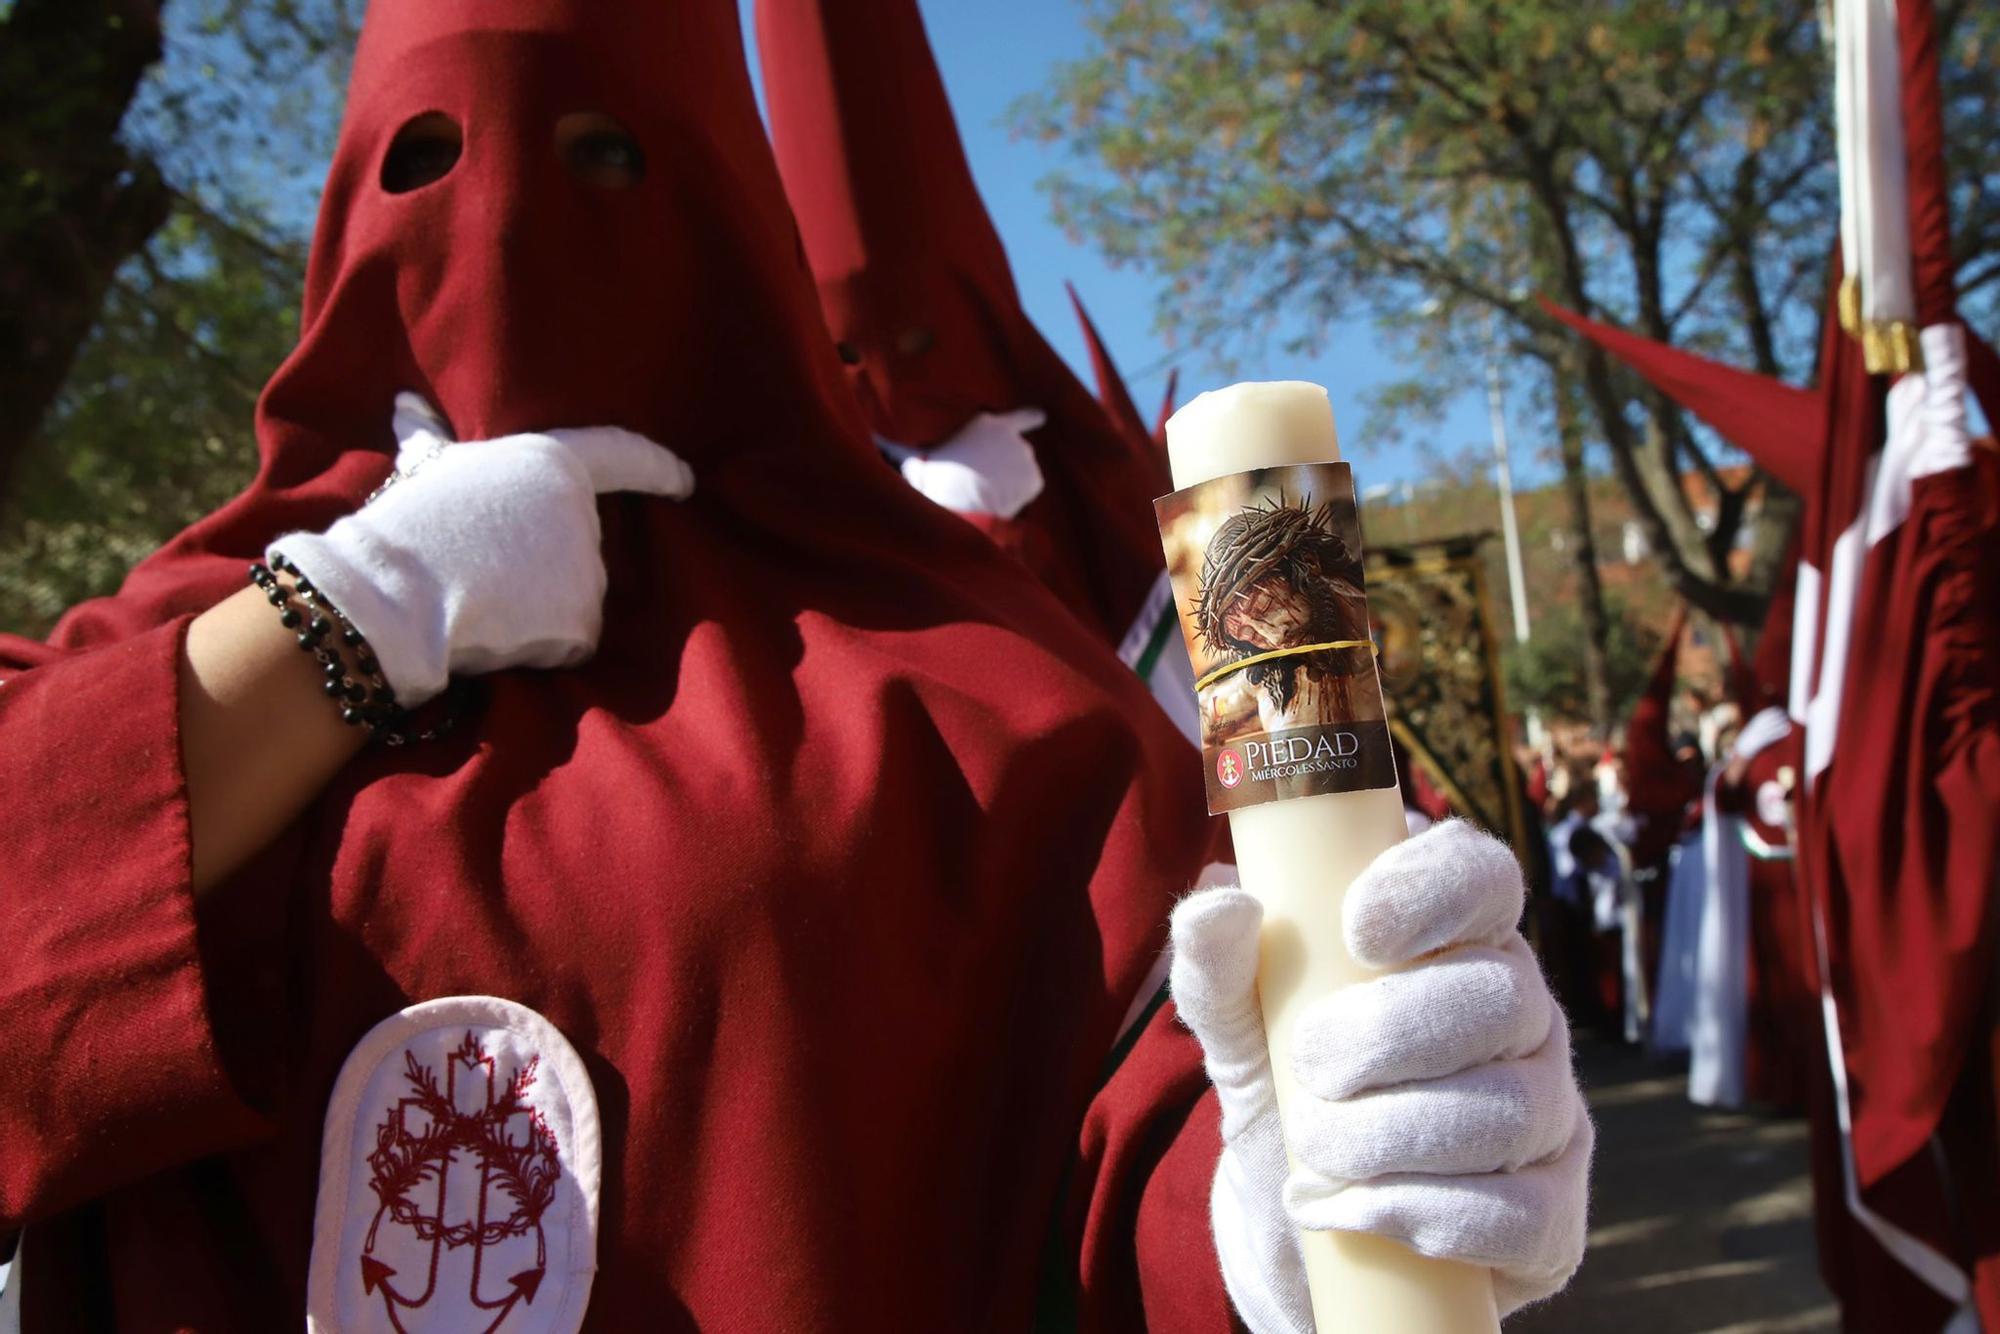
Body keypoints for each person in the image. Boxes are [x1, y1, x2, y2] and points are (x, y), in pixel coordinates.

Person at [0, 3, 1588, 1329]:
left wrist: (1292, 1201)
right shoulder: (180, 635)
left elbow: (1151, 1108)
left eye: (606, 156)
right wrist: (352, 609)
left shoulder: (980, 688)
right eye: (426, 163)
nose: (500, 226)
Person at [756, 0, 1196, 743]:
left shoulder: (1144, 505)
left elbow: (1306, 740)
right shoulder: (830, 546)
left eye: (927, 332)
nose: (897, 370)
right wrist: (971, 539)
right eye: (849, 355)